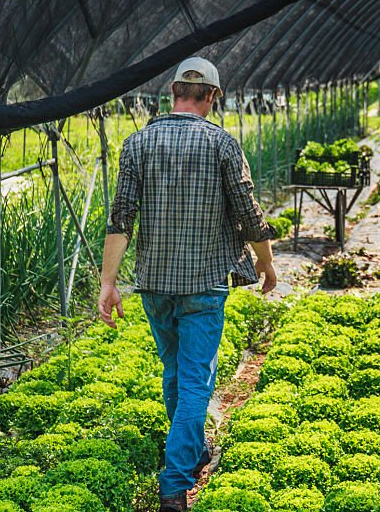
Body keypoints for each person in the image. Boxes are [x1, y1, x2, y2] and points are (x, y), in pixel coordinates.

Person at [98, 56, 277, 512]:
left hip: (154, 284)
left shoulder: (137, 143)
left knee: (175, 372)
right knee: (196, 381)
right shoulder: (222, 145)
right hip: (204, 284)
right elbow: (249, 214)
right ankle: (175, 484)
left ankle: (194, 453)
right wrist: (266, 264)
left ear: (172, 91)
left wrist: (108, 283)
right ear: (212, 96)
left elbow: (121, 220)